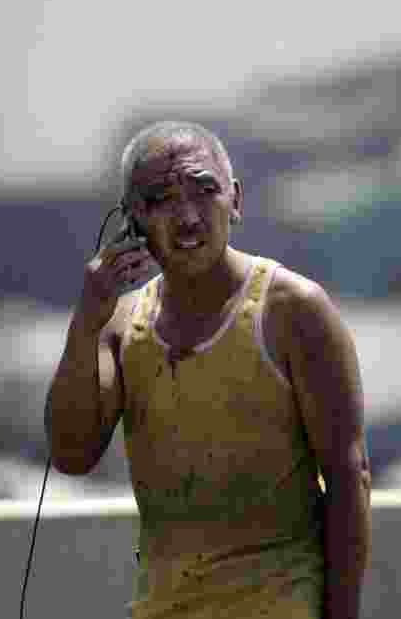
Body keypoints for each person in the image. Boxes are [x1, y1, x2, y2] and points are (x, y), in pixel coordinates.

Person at [45, 121, 371, 619]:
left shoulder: (292, 309)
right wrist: (84, 322)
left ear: (235, 201)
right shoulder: (120, 323)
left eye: (204, 190)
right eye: (161, 200)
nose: (188, 217)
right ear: (133, 221)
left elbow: (349, 479)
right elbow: (71, 456)